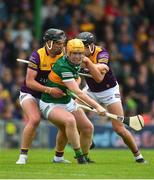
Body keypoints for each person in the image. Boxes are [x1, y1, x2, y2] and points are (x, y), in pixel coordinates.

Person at [77, 32, 147, 163]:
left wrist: (87, 64)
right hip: (91, 90)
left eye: (82, 48)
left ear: (90, 46)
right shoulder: (77, 53)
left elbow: (101, 70)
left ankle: (138, 156)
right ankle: (87, 140)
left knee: (119, 128)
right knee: (72, 110)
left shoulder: (101, 53)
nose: (79, 51)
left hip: (109, 91)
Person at [39, 38, 106, 163]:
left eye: (80, 53)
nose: (77, 56)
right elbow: (78, 92)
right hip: (50, 103)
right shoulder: (63, 67)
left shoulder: (81, 60)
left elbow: (83, 73)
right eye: (74, 53)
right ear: (67, 52)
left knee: (88, 127)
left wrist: (103, 66)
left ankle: (84, 156)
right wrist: (98, 107)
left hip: (66, 101)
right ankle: (79, 156)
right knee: (70, 121)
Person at [16, 28, 69, 164]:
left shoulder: (63, 55)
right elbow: (30, 82)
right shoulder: (37, 56)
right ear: (49, 43)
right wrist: (50, 90)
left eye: (62, 43)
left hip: (49, 97)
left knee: (66, 124)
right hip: (31, 94)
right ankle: (23, 155)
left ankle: (58, 157)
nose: (61, 46)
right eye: (58, 43)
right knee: (34, 119)